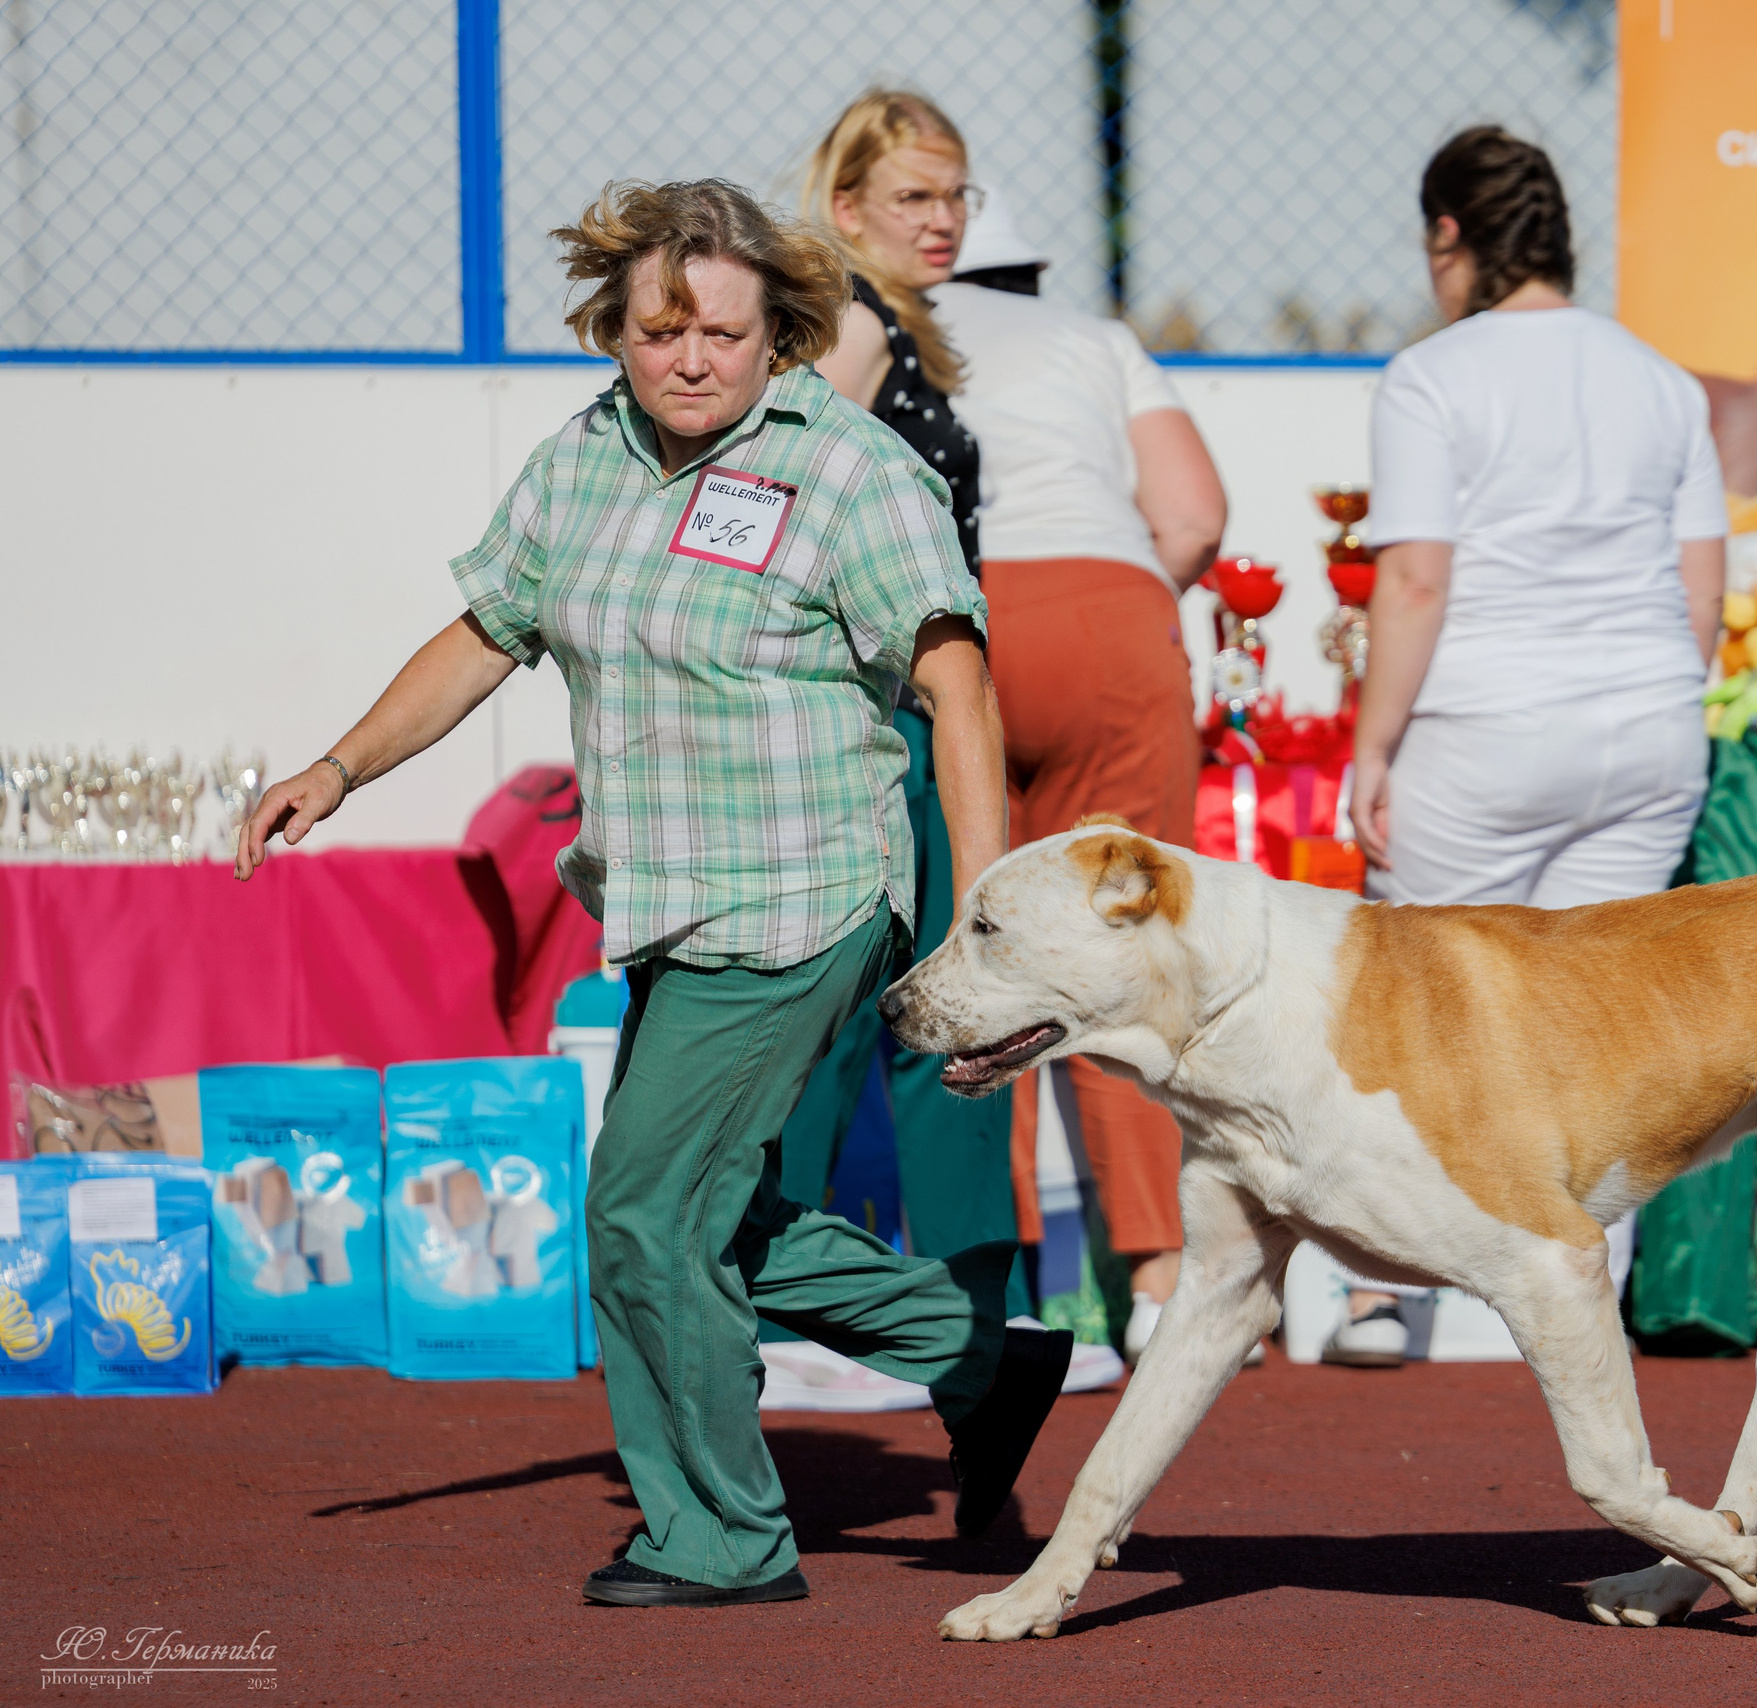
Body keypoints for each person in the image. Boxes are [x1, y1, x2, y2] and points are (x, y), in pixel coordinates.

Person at [232, 179, 1071, 1606]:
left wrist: (980, 918)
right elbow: (488, 629)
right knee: (703, 1210)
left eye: (727, 336)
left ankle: (722, 1536)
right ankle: (979, 1348)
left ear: (780, 335)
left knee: (637, 1209)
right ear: (613, 331)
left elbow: (956, 687)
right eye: (661, 331)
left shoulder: (851, 470)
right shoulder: (584, 458)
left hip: (808, 892)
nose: (693, 361)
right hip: (670, 905)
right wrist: (341, 765)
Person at [1339, 126, 1729, 1366]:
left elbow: (1412, 578)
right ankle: (1569, 1297)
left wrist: (1372, 745)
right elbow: (1702, 590)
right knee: (1592, 1027)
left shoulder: (1431, 375)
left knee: (1419, 1013)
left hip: (1485, 728)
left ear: (1449, 236)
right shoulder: (1664, 379)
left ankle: (1381, 1297)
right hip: (1651, 726)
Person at [933, 186, 1229, 1360]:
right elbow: (1196, 517)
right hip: (1114, 615)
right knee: (1127, 955)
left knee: (975, 952)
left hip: (963, 620)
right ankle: (1157, 1280)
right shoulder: (1095, 340)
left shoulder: (887, 327)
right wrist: (1116, 596)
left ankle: (995, 1294)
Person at [772, 88, 1028, 1334]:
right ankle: (793, 1311)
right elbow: (790, 499)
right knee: (863, 1015)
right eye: (913, 198)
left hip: (918, 712)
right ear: (844, 206)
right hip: (882, 725)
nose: (942, 221)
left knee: (949, 1009)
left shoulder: (891, 320)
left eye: (955, 196)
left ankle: (971, 1312)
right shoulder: (854, 323)